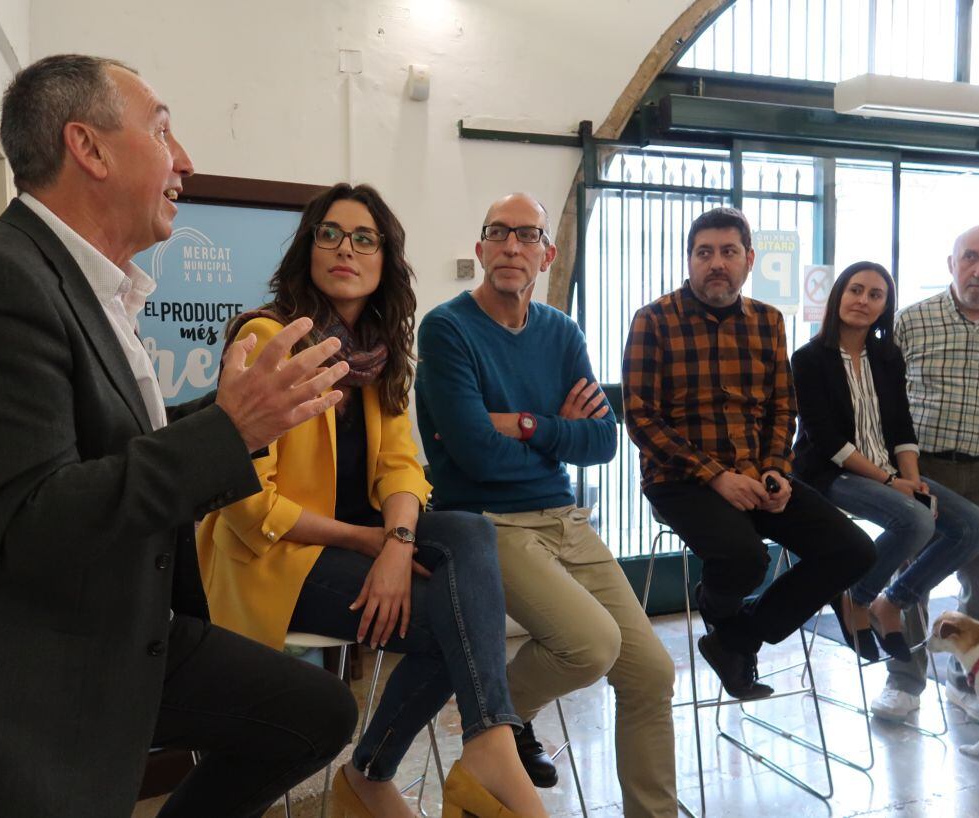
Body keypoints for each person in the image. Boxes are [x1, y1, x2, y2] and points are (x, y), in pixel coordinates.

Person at [0, 55, 359, 818]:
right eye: (162, 130)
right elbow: (29, 519)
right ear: (89, 148)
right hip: (37, 661)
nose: (185, 161)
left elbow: (102, 446)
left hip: (130, 627)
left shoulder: (87, 286)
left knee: (315, 715)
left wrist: (227, 423)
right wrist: (227, 429)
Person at [198, 182, 548, 818]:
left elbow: (402, 467)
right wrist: (372, 542)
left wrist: (399, 540)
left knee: (468, 532)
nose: (346, 249)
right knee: (457, 623)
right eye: (330, 234)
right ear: (308, 248)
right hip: (274, 555)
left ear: (386, 260)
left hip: (356, 545)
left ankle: (483, 741)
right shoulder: (268, 339)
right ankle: (378, 772)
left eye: (366, 238)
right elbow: (248, 507)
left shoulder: (377, 353)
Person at [416, 193, 677, 818]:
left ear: (547, 252)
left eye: (527, 235)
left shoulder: (560, 331)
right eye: (499, 234)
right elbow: (475, 457)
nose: (512, 247)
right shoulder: (447, 329)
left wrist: (528, 425)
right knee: (589, 645)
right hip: (484, 523)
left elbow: (603, 440)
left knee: (652, 673)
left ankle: (647, 809)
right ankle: (491, 718)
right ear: (480, 248)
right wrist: (553, 432)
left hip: (564, 519)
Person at [623, 206, 875, 702]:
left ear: (749, 259)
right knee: (745, 558)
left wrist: (776, 472)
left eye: (728, 252)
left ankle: (737, 637)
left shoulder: (767, 321)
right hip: (680, 479)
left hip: (758, 473)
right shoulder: (653, 320)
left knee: (855, 550)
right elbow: (641, 416)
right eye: (704, 253)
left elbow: (783, 407)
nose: (716, 263)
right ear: (690, 260)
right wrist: (717, 477)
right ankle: (722, 614)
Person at [791, 261, 979, 664]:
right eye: (855, 290)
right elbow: (826, 440)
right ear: (838, 295)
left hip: (887, 470)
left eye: (875, 295)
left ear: (884, 306)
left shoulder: (887, 357)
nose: (863, 300)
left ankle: (891, 602)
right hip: (828, 473)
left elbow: (901, 424)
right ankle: (857, 598)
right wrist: (887, 481)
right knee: (915, 520)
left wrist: (910, 479)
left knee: (973, 527)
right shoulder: (809, 358)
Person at [869, 224, 979, 723]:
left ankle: (967, 680)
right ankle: (905, 681)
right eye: (970, 258)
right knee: (911, 576)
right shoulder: (911, 323)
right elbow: (877, 400)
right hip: (925, 469)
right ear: (950, 263)